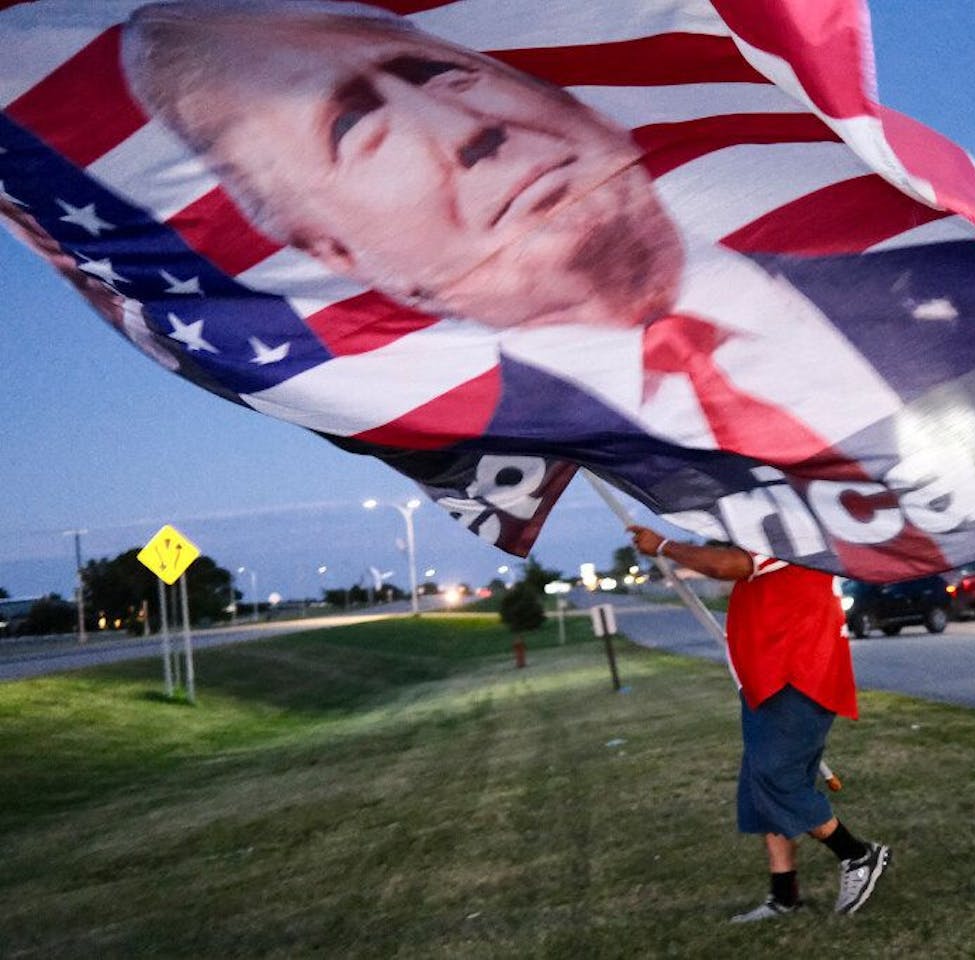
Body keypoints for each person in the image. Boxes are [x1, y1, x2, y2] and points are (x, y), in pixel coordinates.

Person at [121, 0, 903, 468]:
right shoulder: (511, 432)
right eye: (357, 126)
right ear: (336, 253)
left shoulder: (912, 264)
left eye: (438, 72)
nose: (465, 130)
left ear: (587, 105)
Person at [627, 523, 890, 921]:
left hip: (797, 681)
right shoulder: (774, 532)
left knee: (776, 780)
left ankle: (857, 854)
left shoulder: (788, 532)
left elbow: (725, 565)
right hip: (768, 685)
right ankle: (784, 895)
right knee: (762, 789)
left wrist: (664, 545)